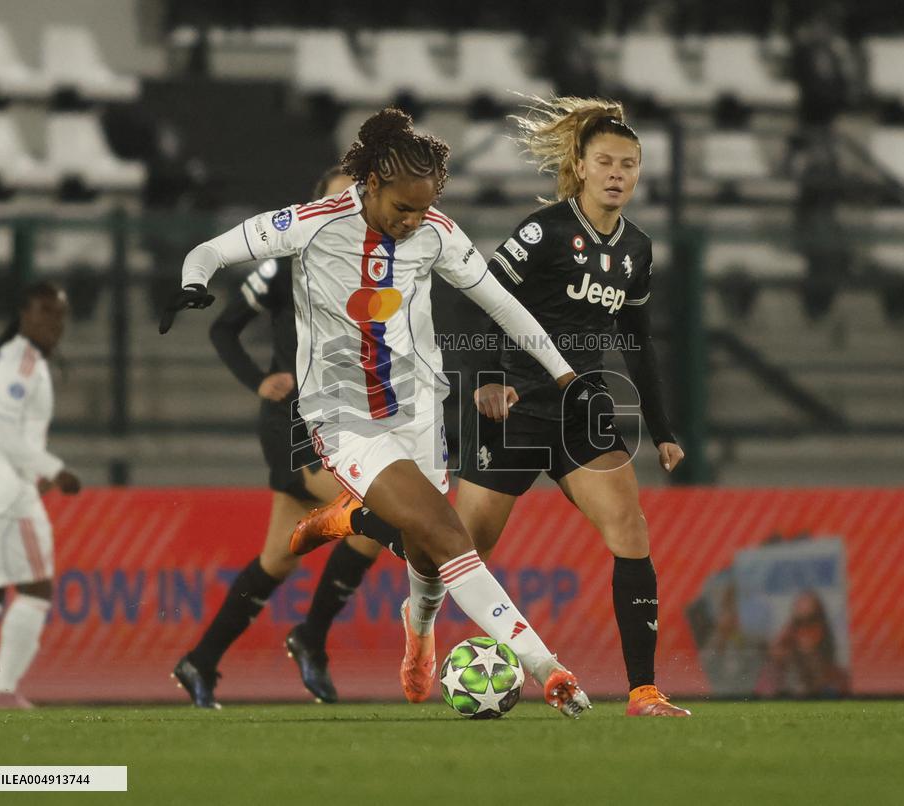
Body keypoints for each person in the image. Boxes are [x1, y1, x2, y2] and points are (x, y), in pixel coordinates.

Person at [160, 108, 596, 717]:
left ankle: (418, 635)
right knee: (447, 533)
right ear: (371, 185)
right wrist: (191, 281)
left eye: (423, 209)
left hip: (419, 410)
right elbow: (215, 248)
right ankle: (548, 668)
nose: (413, 221)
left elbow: (502, 305)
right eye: (403, 208)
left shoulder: (436, 233)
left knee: (430, 557)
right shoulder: (311, 224)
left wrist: (564, 372)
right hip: (342, 418)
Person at [298, 98, 692, 717]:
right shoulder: (543, 233)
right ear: (581, 168)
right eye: (606, 161)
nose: (618, 173)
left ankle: (642, 690)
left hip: (579, 410)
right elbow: (478, 301)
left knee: (631, 531)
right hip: (512, 408)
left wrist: (664, 429)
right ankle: (357, 522)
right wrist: (487, 380)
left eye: (630, 164)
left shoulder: (637, 249)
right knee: (448, 548)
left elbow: (637, 343)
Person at [172, 168, 399, 708]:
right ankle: (311, 638)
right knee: (377, 516)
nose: (347, 204)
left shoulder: (378, 266)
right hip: (294, 420)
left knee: (279, 558)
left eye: (356, 195)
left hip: (342, 419)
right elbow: (223, 328)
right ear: (316, 204)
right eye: (336, 195)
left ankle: (199, 661)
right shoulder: (285, 264)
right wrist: (259, 381)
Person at [0, 281, 81, 709]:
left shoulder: (2, 358)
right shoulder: (23, 363)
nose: (54, 323)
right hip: (6, 493)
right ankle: (2, 692)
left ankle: (3, 691)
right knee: (35, 591)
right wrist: (52, 469)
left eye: (60, 315)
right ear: (24, 314)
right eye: (44, 312)